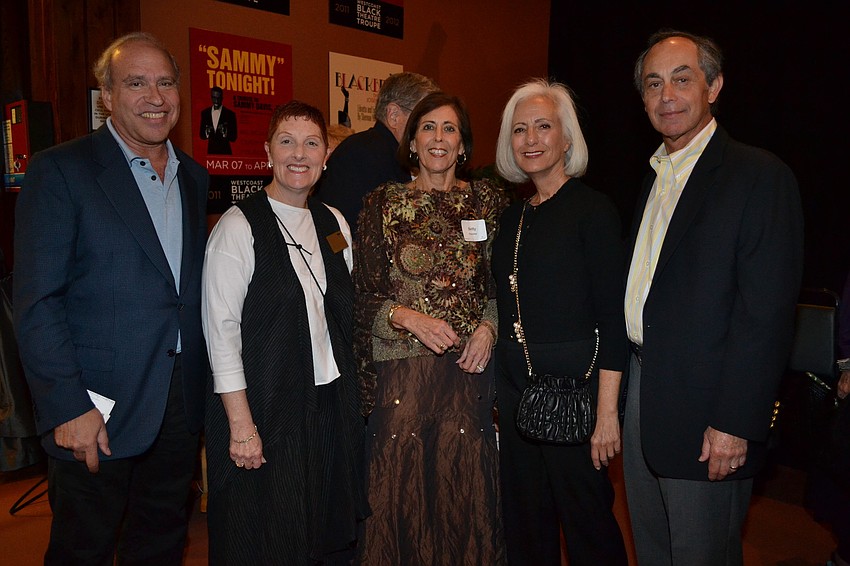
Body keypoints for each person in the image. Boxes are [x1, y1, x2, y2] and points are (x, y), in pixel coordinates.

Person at [13, 32, 209, 564]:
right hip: (95, 407)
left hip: (179, 402)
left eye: (166, 82)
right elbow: (37, 301)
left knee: (163, 539)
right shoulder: (62, 171)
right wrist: (68, 405)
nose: (155, 96)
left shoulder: (194, 176)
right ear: (106, 96)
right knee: (85, 547)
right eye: (136, 83)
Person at [623, 30, 804, 565]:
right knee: (654, 552)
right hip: (643, 395)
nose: (666, 96)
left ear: (715, 86)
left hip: (710, 414)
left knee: (702, 555)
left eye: (682, 79)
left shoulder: (759, 176)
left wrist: (735, 422)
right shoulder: (654, 176)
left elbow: (766, 316)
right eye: (653, 84)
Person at [202, 100, 368, 564]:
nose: (300, 153)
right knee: (267, 530)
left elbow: (344, 303)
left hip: (327, 402)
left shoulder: (333, 222)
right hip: (265, 408)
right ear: (267, 152)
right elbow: (221, 333)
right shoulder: (238, 227)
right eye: (287, 141)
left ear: (326, 155)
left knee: (322, 525)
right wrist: (241, 426)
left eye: (312, 143)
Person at [353, 92, 506, 564]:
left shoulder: (489, 202)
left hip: (467, 374)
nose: (438, 138)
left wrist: (488, 327)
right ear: (412, 141)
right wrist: (410, 319)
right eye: (428, 128)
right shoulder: (383, 203)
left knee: (464, 495)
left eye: (450, 129)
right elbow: (361, 297)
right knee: (400, 498)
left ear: (462, 144)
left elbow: (504, 286)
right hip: (402, 379)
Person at [490, 79, 628, 565]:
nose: (530, 138)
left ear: (567, 139)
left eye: (543, 126)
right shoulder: (512, 218)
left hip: (576, 399)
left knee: (589, 528)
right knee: (525, 528)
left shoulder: (594, 211)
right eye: (519, 129)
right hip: (517, 398)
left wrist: (606, 415)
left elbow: (615, 321)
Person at [318, 71, 439, 234]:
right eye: (425, 119)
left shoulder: (372, 150)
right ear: (394, 116)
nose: (433, 131)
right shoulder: (368, 156)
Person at [200, 86, 238, 154]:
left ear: (222, 98)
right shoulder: (205, 113)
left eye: (218, 98)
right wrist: (207, 132)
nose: (216, 101)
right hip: (210, 153)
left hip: (226, 152)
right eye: (214, 98)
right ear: (211, 97)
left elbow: (234, 137)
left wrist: (225, 133)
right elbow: (201, 135)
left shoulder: (230, 114)